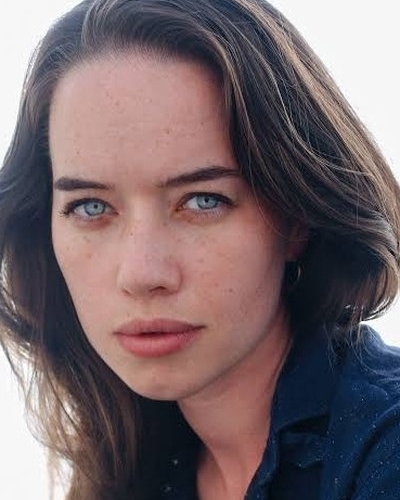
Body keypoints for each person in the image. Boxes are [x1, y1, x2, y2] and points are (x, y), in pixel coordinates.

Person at [0, 0, 399, 499]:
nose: (142, 273)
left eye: (202, 201)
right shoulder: (136, 466)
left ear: (297, 219)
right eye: (90, 207)